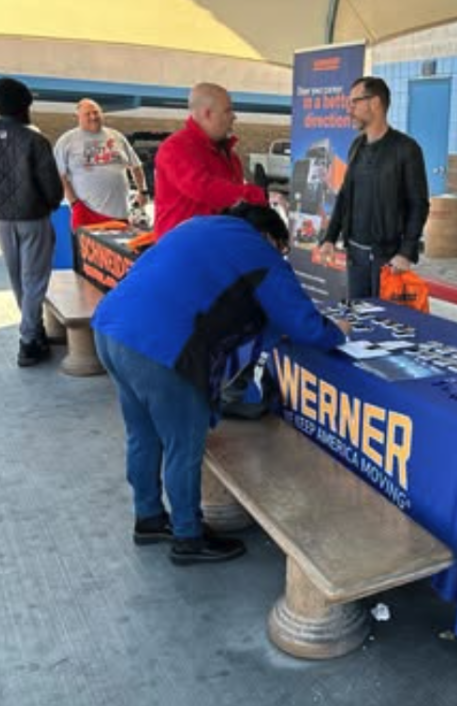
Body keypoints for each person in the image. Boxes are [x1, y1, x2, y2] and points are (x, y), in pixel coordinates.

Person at [92, 202, 350, 565]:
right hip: (162, 349)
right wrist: (336, 331)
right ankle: (188, 537)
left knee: (143, 435)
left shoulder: (199, 225)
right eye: (281, 248)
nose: (280, 256)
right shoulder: (255, 247)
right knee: (184, 446)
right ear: (268, 237)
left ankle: (148, 517)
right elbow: (302, 322)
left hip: (110, 330)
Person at [0, 77, 64, 367]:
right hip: (33, 217)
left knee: (18, 278)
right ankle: (29, 341)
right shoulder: (34, 138)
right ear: (25, 105)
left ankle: (34, 332)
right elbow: (52, 187)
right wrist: (49, 204)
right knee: (35, 279)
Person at [317, 76, 430, 299]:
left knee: (386, 317)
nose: (349, 110)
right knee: (358, 315)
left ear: (375, 103)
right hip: (355, 256)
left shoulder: (406, 149)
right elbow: (345, 196)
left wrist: (406, 252)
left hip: (388, 259)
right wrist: (329, 238)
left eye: (354, 102)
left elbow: (418, 205)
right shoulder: (356, 146)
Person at [153, 82, 266, 237]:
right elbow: (203, 188)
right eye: (227, 111)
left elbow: (234, 203)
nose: (234, 117)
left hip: (217, 242)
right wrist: (256, 195)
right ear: (208, 114)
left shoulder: (229, 155)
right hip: (184, 246)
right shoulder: (176, 147)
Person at [54, 98, 149, 230]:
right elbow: (59, 174)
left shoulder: (117, 137)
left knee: (119, 243)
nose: (93, 117)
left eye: (96, 112)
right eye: (88, 114)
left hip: (120, 212)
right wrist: (74, 202)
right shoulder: (66, 141)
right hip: (87, 212)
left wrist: (142, 191)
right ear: (78, 117)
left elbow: (136, 166)